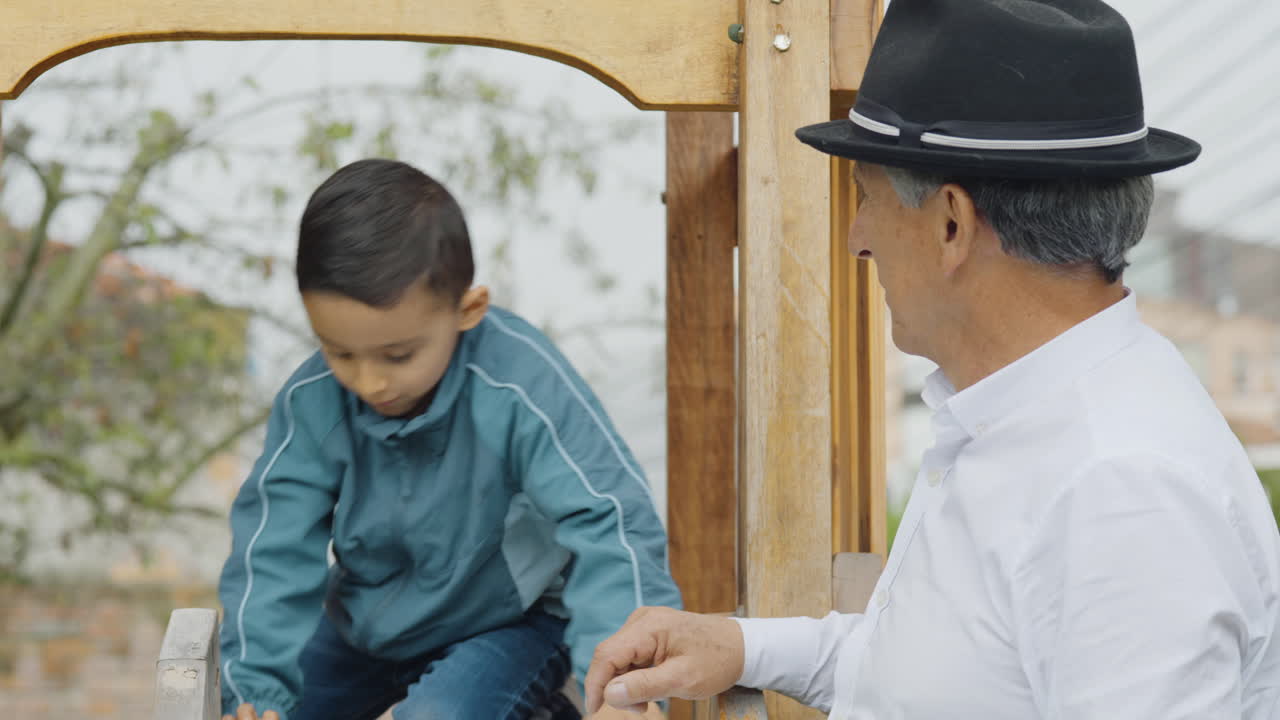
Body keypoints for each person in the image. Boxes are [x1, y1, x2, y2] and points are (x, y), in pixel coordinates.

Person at [584, 0, 1280, 718]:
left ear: (951, 223)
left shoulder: (1122, 493)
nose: (857, 240)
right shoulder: (1026, 422)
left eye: (865, 199)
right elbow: (925, 677)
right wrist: (740, 644)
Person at [217, 158, 681, 720]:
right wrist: (257, 686)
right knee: (266, 710)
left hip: (512, 621)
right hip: (368, 625)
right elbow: (273, 545)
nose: (370, 381)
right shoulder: (312, 400)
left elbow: (609, 521)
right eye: (339, 352)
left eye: (398, 355)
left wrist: (623, 691)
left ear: (468, 309)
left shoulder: (519, 385)